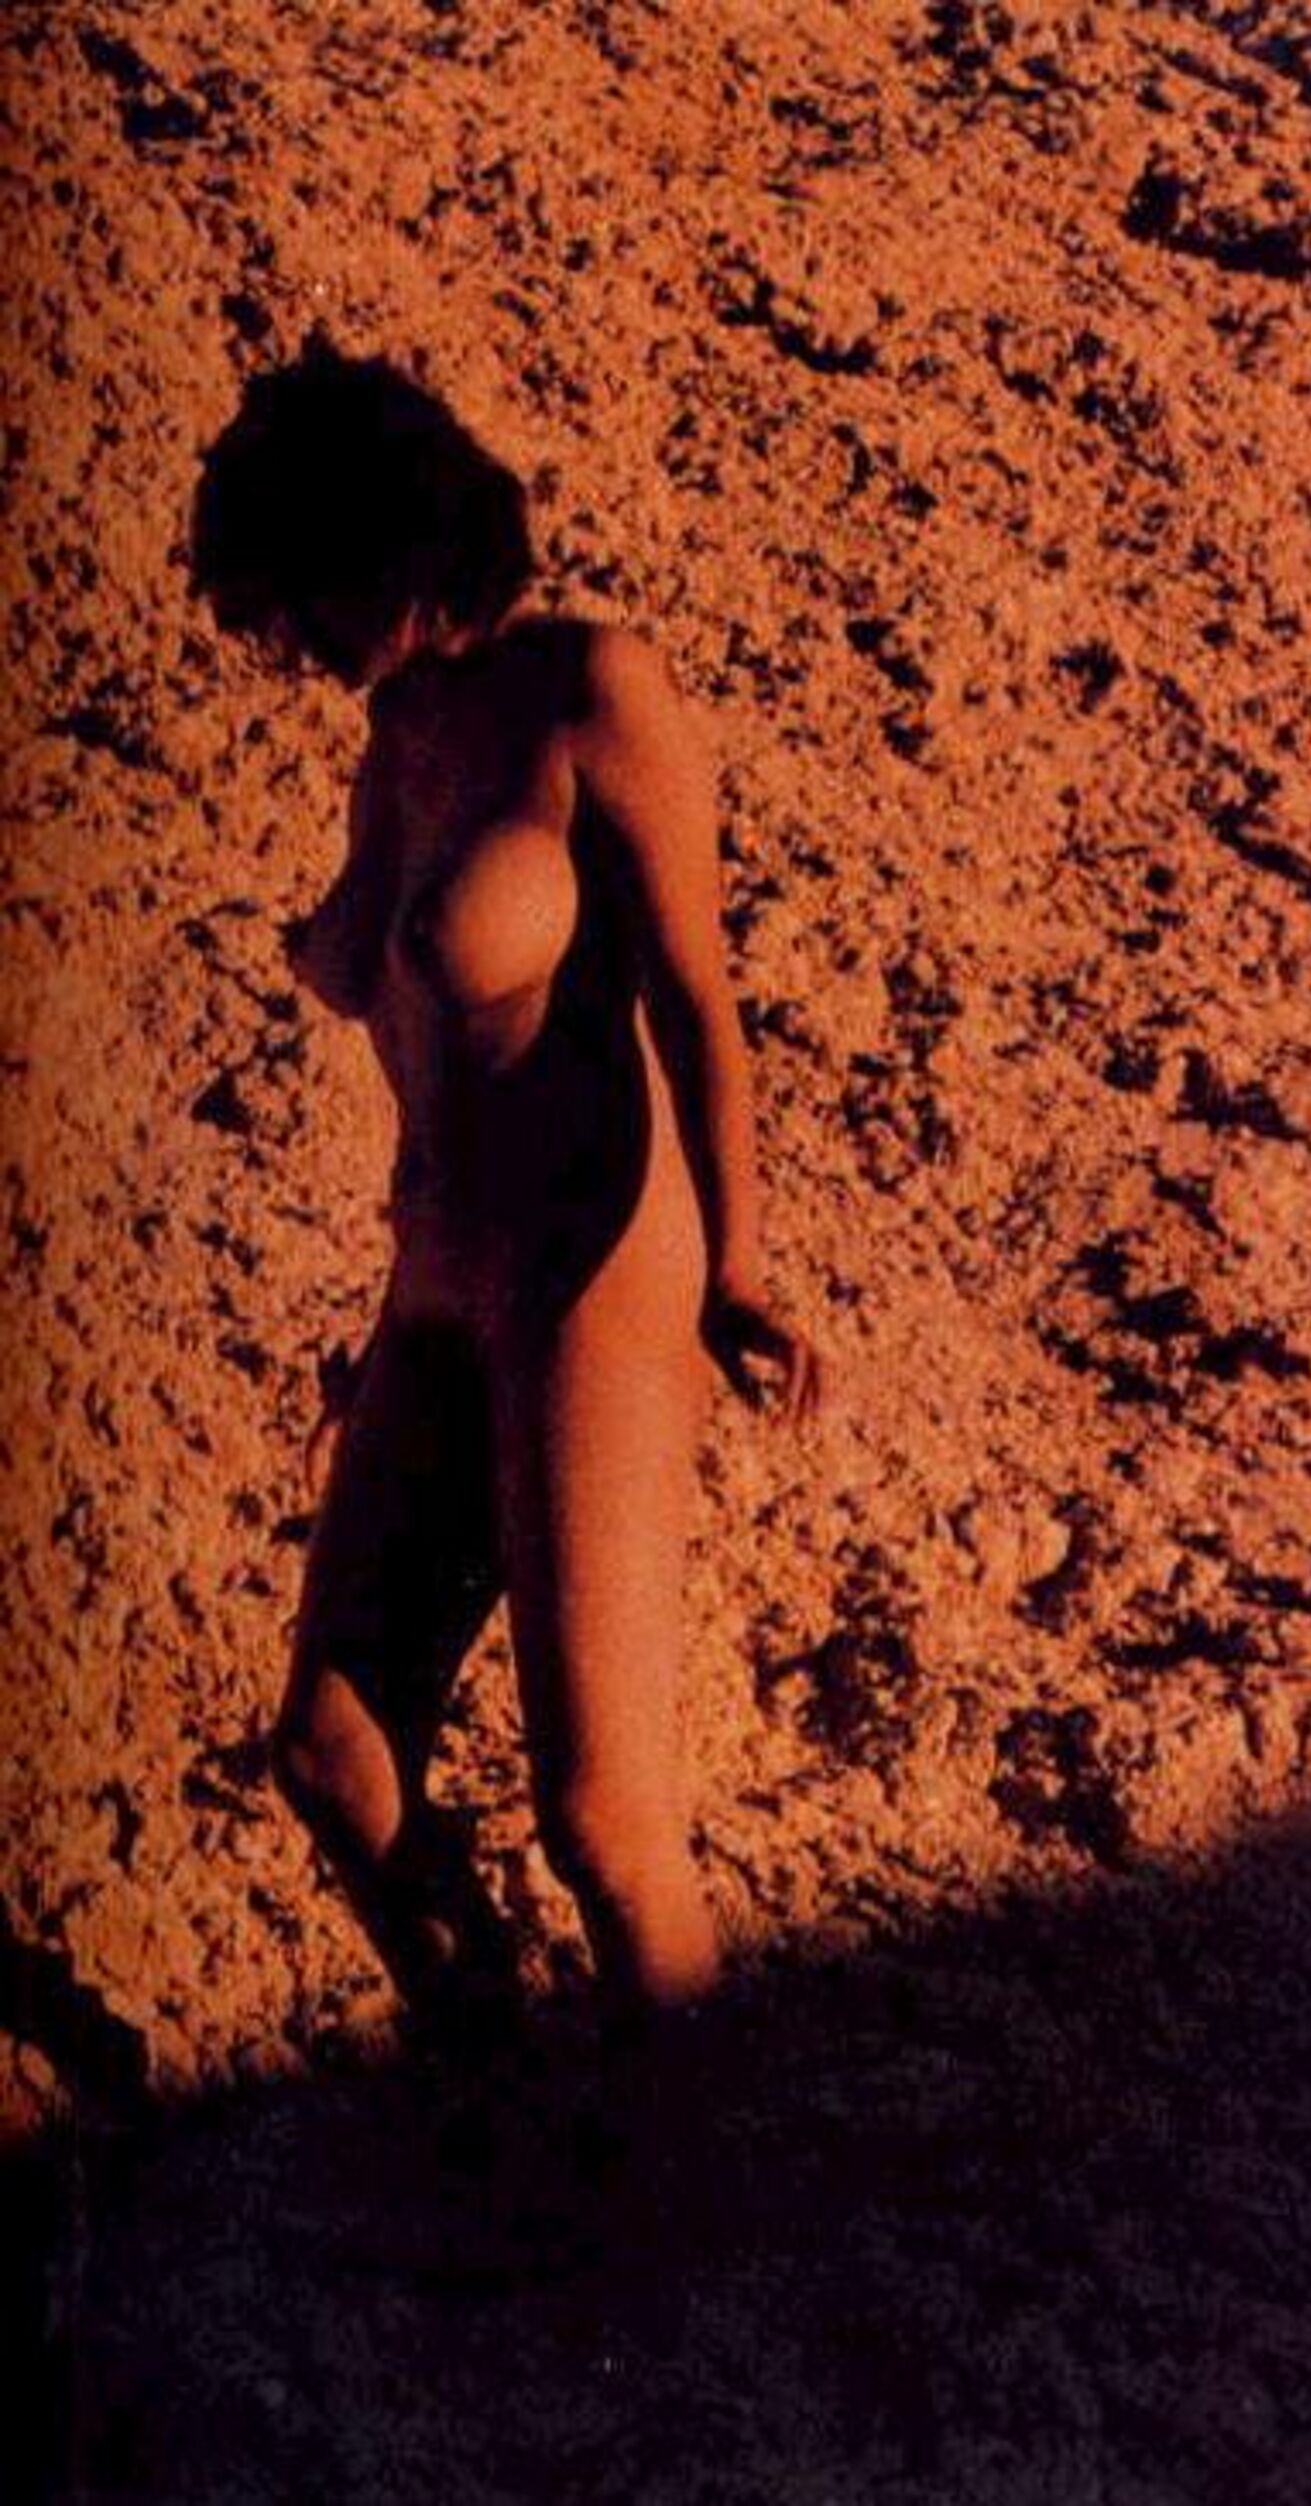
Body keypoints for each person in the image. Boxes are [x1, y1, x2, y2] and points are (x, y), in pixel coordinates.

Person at [192, 339, 822, 2031]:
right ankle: (495, 2069)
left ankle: (708, 2166)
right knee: (330, 1755)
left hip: (585, 1271)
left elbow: (697, 998)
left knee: (604, 1816)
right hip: (433, 1280)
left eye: (307, 595)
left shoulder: (592, 689)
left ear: (389, 544)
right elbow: (413, 1024)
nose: (296, 643)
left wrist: (739, 1267)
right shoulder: (395, 742)